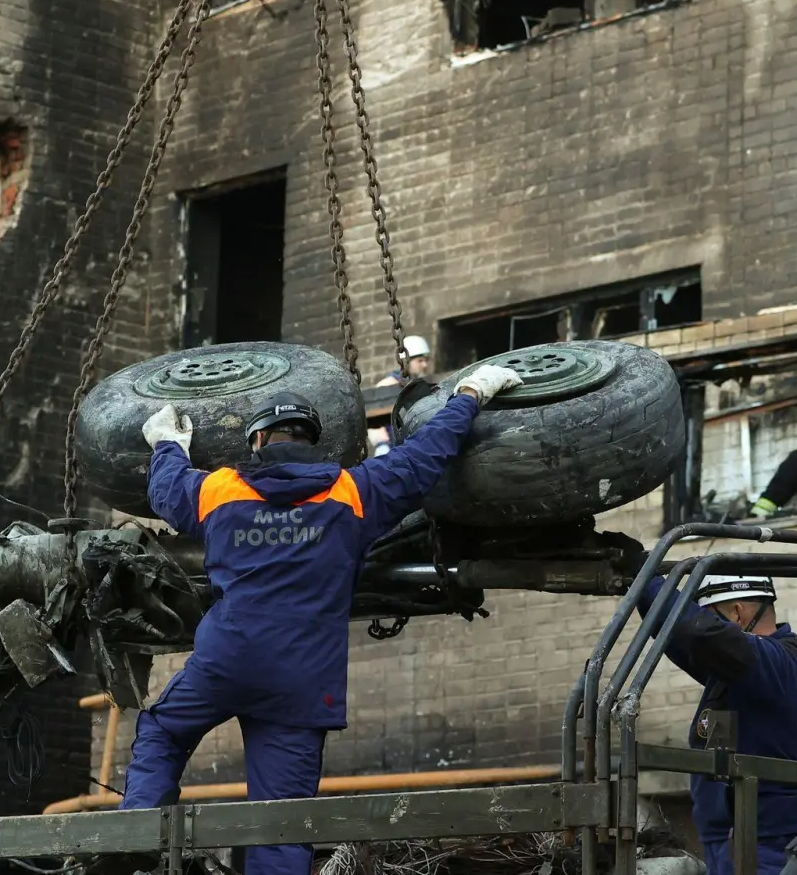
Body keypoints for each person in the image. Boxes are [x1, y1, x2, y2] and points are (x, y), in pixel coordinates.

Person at [119, 364, 524, 875]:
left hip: (228, 660)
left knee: (164, 731)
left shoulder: (218, 490)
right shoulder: (354, 491)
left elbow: (167, 493)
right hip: (304, 679)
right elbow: (427, 456)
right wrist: (468, 395)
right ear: (313, 442)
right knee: (282, 821)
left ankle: (134, 831)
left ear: (259, 439)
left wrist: (167, 446)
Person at [636, 572, 797, 875]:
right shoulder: (739, 668)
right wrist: (640, 581)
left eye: (712, 617)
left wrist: (651, 579)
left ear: (737, 612)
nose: (706, 625)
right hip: (728, 840)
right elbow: (679, 635)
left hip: (767, 844)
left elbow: (699, 634)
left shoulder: (783, 661)